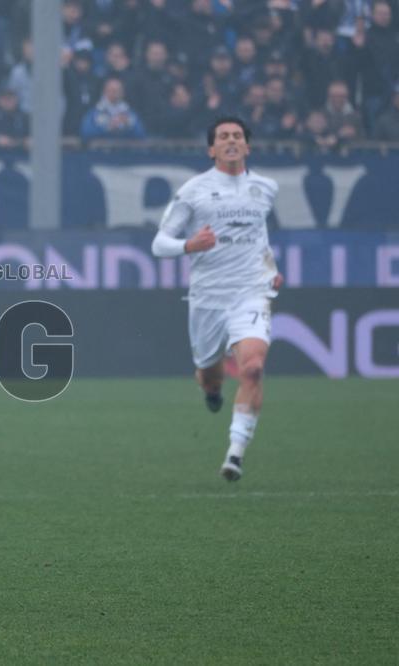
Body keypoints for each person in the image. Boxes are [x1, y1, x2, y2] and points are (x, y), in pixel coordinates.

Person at [150, 117, 283, 482]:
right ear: (211, 149)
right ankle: (211, 390)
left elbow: (259, 236)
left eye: (237, 136)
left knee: (253, 367)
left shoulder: (265, 188)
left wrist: (270, 267)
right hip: (208, 298)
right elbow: (159, 243)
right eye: (223, 137)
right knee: (210, 374)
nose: (231, 141)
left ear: (247, 146)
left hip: (250, 292)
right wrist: (189, 245)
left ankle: (235, 453)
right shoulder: (194, 190)